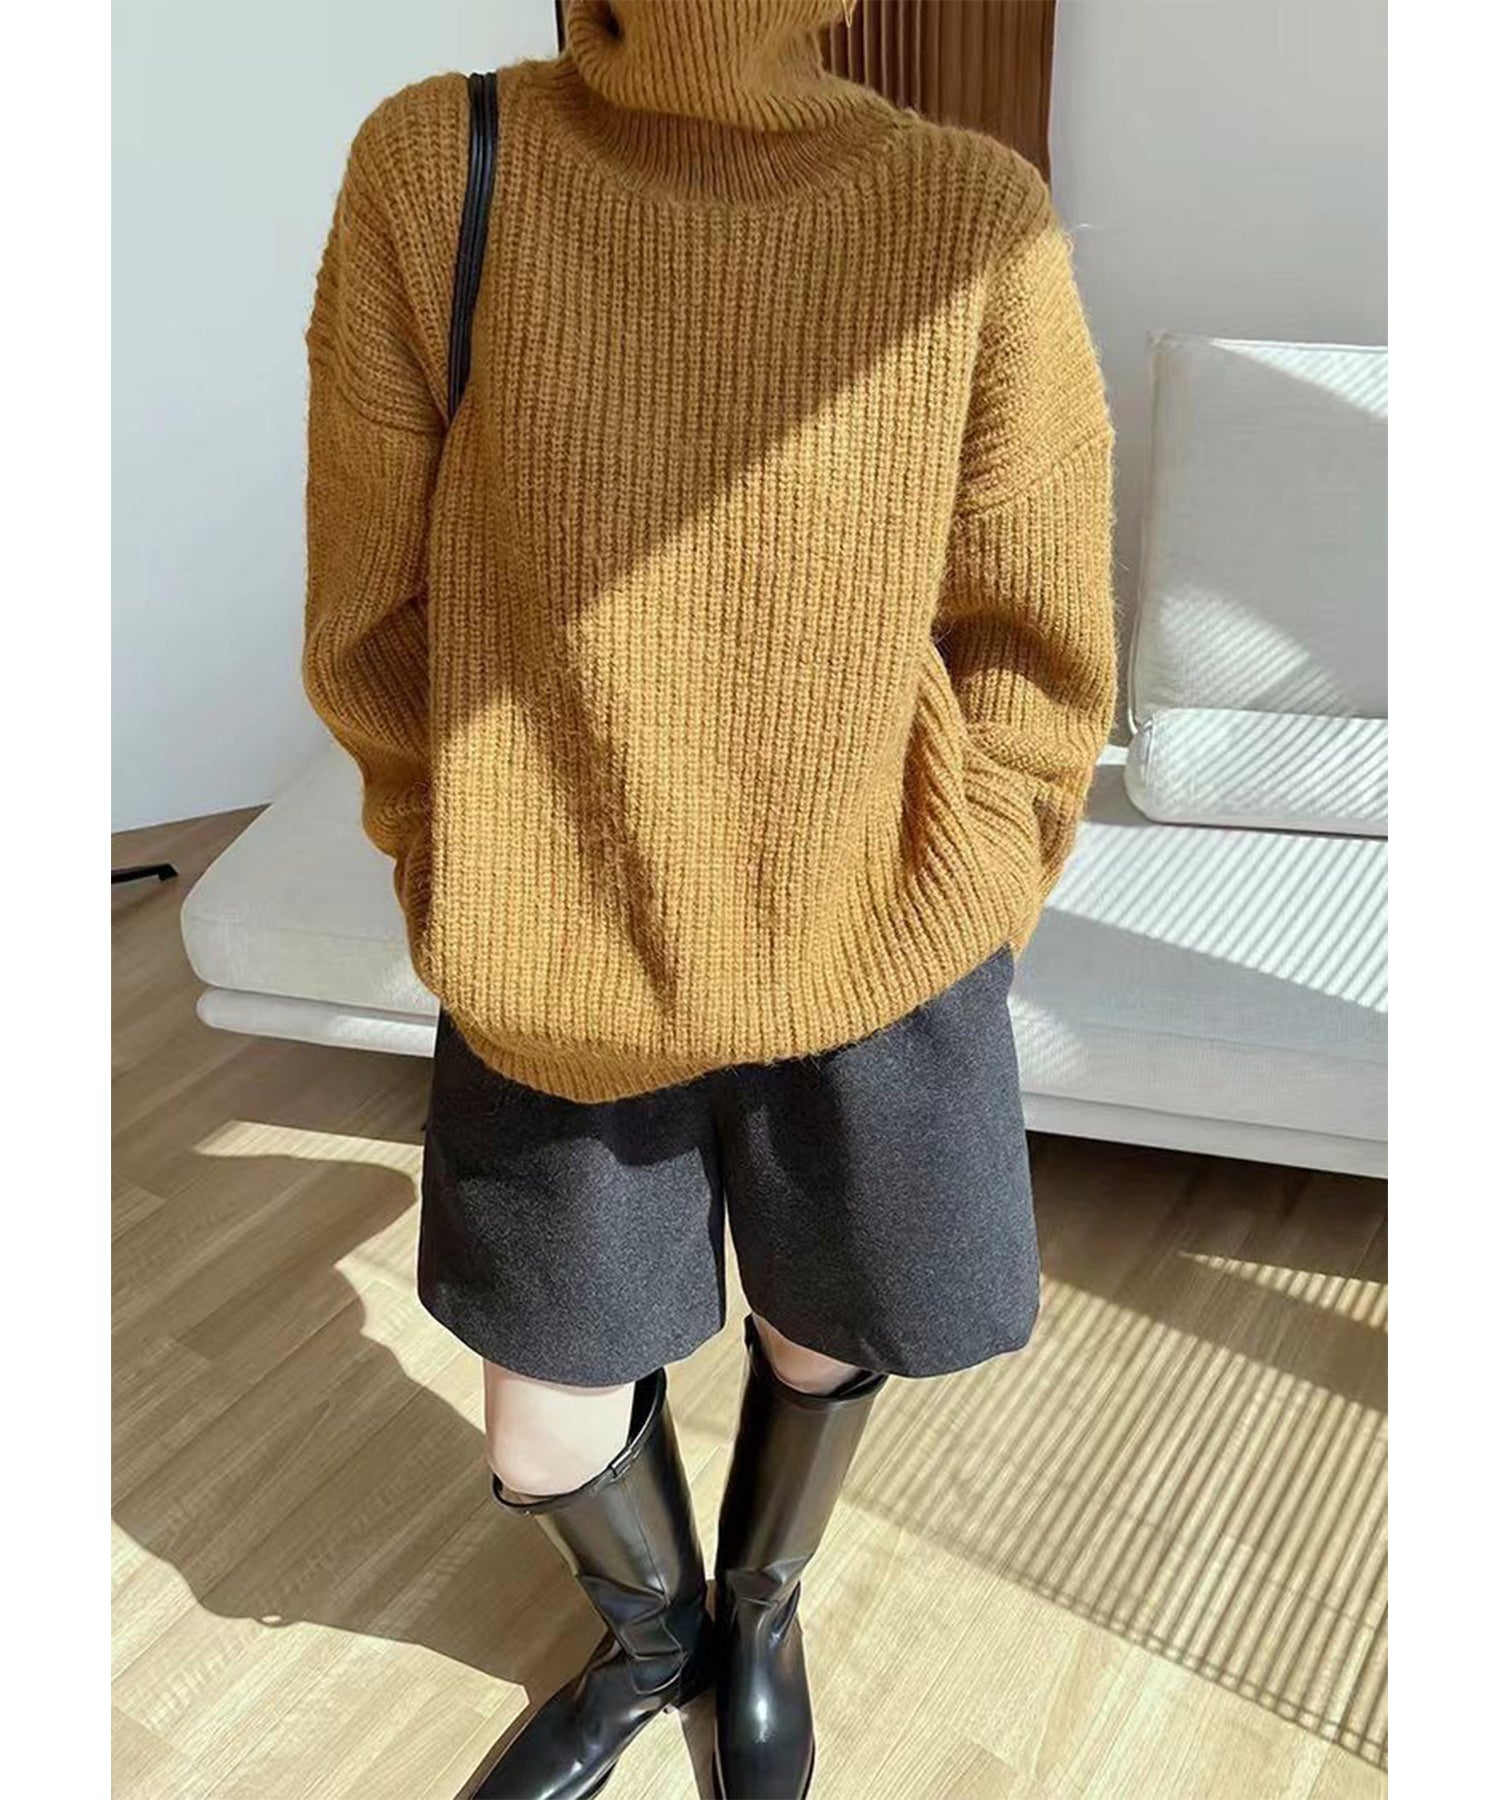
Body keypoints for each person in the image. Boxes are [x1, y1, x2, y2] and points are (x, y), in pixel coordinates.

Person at [303, 1, 1115, 1794]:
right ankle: (650, 1635)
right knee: (547, 1426)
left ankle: (756, 1613)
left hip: (874, 937)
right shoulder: (443, 164)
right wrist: (454, 850)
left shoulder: (971, 213)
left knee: (823, 1341)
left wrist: (981, 876)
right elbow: (370, 603)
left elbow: (1037, 628)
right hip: (560, 947)